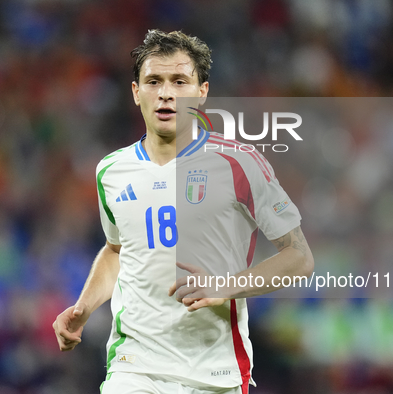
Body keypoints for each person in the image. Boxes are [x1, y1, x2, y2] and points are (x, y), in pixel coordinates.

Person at [53, 29, 314, 394]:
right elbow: (117, 251)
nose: (166, 93)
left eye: (180, 81)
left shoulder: (239, 163)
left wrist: (225, 286)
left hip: (214, 372)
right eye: (154, 81)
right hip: (134, 368)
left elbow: (300, 257)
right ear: (135, 92)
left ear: (202, 92)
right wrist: (84, 306)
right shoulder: (111, 171)